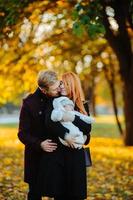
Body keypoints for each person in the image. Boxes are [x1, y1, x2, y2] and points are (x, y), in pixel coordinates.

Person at [18, 70, 91, 200]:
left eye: (60, 84)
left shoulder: (63, 100)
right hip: (37, 155)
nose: (59, 89)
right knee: (35, 192)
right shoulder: (32, 103)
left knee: (67, 192)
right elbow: (24, 133)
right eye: (56, 88)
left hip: (64, 157)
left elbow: (87, 128)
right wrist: (39, 143)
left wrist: (83, 136)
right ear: (44, 90)